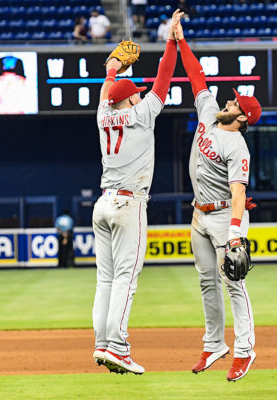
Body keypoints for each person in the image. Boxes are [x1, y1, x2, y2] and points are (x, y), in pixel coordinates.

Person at [91, 10, 183, 375]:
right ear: (130, 99)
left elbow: (106, 92)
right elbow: (163, 79)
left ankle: (101, 342)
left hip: (102, 203)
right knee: (126, 278)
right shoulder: (140, 114)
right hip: (130, 202)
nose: (140, 96)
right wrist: (171, 43)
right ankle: (117, 346)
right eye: (136, 94)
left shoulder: (103, 114)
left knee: (105, 279)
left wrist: (112, 69)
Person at [173, 18, 261, 381]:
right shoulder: (209, 113)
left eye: (236, 102)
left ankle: (244, 351)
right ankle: (214, 344)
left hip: (226, 217)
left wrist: (237, 233)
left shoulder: (237, 145)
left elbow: (239, 192)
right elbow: (196, 77)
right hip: (199, 215)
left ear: (242, 118)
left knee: (234, 284)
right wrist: (181, 42)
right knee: (206, 281)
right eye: (232, 99)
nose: (229, 100)